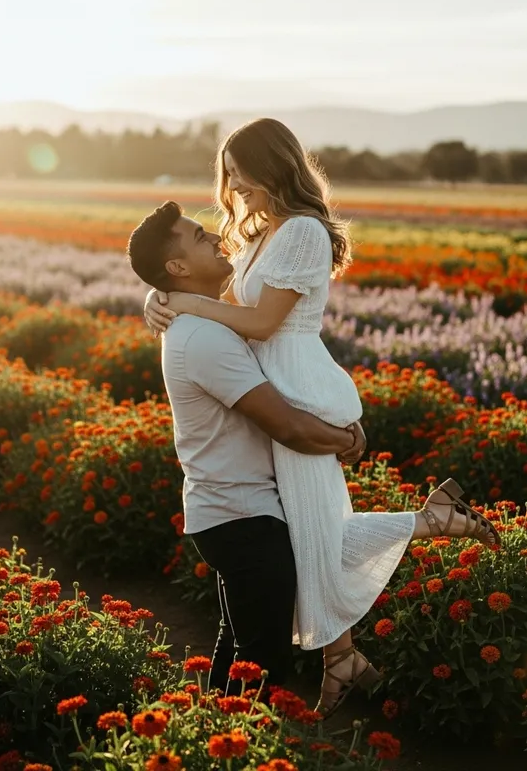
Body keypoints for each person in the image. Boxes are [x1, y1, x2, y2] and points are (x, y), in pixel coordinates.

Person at [143, 119, 500, 717]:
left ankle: (420, 541)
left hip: (296, 389)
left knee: (312, 533)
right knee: (313, 532)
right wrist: (156, 295)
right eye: (225, 173)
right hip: (275, 384)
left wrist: (178, 299)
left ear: (273, 166)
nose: (230, 185)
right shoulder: (262, 235)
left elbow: (258, 323)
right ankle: (346, 657)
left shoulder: (303, 231)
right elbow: (201, 282)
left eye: (238, 171)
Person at [127, 201, 367, 694]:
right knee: (262, 666)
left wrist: (159, 294)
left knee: (239, 654)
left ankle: (210, 743)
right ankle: (242, 748)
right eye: (198, 237)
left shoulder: (206, 324)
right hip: (243, 519)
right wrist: (347, 439)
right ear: (178, 268)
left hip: (232, 514)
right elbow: (288, 427)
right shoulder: (203, 338)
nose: (216, 237)